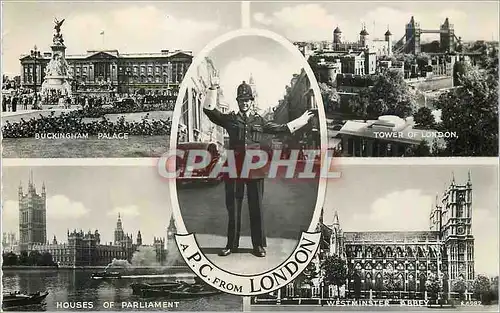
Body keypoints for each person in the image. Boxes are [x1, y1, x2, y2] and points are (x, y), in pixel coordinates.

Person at [202, 71, 314, 258]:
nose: (244, 103)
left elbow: (281, 129)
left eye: (247, 100)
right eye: (241, 100)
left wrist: (303, 120)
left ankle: (258, 245)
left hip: (255, 169)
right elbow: (209, 111)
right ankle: (231, 244)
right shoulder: (230, 119)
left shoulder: (259, 121)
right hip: (234, 168)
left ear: (251, 101)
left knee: (256, 207)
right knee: (234, 207)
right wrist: (213, 88)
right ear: (237, 101)